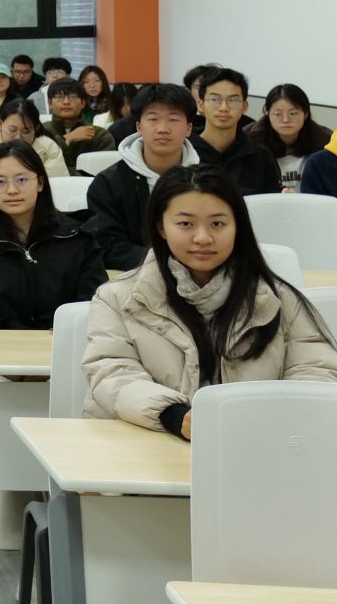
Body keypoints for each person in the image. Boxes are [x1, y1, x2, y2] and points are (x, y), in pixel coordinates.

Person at [82, 164, 337, 439]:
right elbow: (113, 372)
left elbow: (316, 372)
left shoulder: (279, 298)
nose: (202, 238)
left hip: (257, 443)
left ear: (237, 227)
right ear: (161, 227)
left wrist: (269, 416)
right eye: (185, 224)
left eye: (218, 224)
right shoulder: (117, 297)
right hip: (149, 442)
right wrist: (173, 415)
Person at [0, 141, 105, 330]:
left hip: (60, 345)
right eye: (0, 182)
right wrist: (1, 342)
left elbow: (92, 308)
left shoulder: (78, 238)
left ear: (40, 183)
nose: (12, 190)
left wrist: (60, 336)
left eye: (21, 180)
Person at [86, 83, 202, 272]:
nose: (162, 129)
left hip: (199, 270)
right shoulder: (108, 183)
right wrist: (169, 263)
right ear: (139, 127)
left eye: (173, 119)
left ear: (189, 128)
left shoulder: (207, 181)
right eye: (153, 119)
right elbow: (107, 246)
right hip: (133, 275)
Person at [193, 68, 282, 196]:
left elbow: (270, 203)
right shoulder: (184, 151)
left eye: (233, 100)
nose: (224, 108)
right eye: (215, 99)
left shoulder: (262, 157)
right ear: (201, 105)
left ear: (244, 106)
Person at [245, 83, 331, 193]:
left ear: (305, 114)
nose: (285, 120)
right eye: (278, 114)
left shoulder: (326, 142)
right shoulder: (249, 142)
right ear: (268, 114)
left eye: (293, 113)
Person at [43, 79, 113, 172]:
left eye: (72, 97)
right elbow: (38, 160)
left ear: (83, 103)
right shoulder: (41, 131)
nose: (66, 102)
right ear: (50, 103)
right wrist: (67, 139)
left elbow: (107, 170)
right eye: (60, 97)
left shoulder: (100, 135)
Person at [0, 97, 69, 178]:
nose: (18, 137)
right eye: (12, 130)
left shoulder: (49, 147)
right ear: (0, 124)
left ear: (36, 128)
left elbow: (58, 182)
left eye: (26, 131)